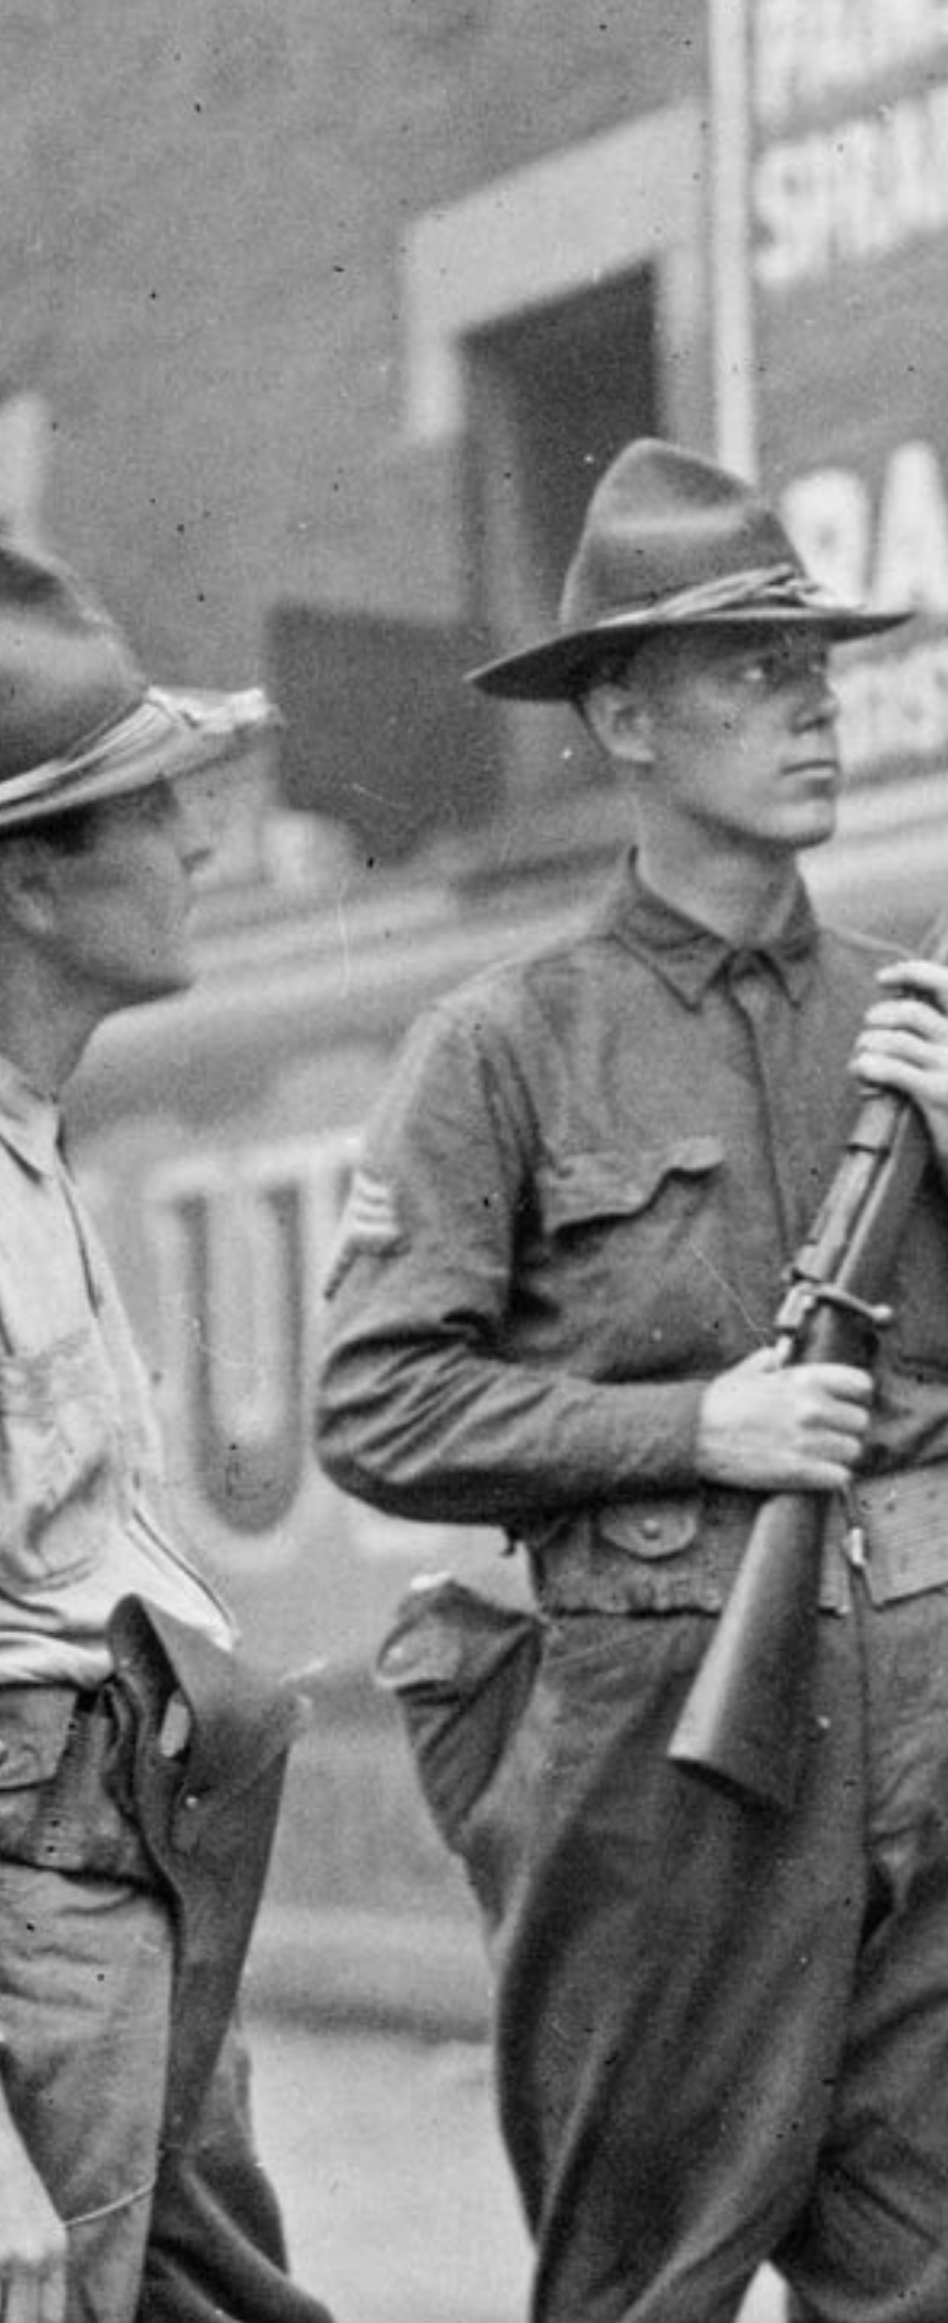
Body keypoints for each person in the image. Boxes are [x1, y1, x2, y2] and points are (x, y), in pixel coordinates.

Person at [312, 440, 948, 2323]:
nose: (812, 706)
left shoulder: (926, 1013)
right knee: (645, 2271)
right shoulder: (505, 1047)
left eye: (818, 668)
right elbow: (377, 1401)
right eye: (756, 673)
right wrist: (695, 1426)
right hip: (671, 1708)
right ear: (623, 716)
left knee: (938, 2287)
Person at [0, 545, 332, 2323]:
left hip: (123, 1863)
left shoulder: (35, 1144)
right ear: (32, 878)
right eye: (145, 813)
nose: (198, 846)